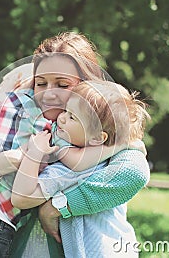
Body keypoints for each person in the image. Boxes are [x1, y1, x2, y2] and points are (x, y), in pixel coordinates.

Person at [0, 32, 150, 257]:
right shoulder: (1, 112)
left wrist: (57, 207)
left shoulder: (106, 125)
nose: (49, 94)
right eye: (40, 83)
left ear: (86, 86)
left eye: (63, 85)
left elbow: (133, 173)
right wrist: (3, 161)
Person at [11, 81, 150, 257]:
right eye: (66, 110)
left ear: (98, 138)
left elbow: (21, 197)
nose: (61, 118)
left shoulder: (69, 171)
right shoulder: (110, 161)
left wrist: (34, 154)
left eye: (72, 117)